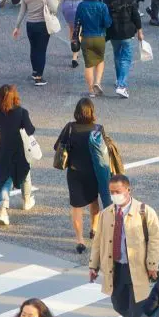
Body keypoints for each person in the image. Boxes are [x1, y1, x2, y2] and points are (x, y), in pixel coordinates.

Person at [89, 174, 159, 317]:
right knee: (120, 305)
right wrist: (93, 265)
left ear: (128, 190)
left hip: (139, 270)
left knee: (136, 314)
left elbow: (156, 240)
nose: (114, 195)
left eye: (118, 191)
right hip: (117, 270)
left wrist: (152, 264)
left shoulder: (144, 212)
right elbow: (98, 242)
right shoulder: (107, 214)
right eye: (112, 192)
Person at [55, 99, 102, 253]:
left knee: (76, 207)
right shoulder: (97, 128)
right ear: (92, 112)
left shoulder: (70, 128)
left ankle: (80, 240)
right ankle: (94, 229)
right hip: (93, 172)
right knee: (94, 201)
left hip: (74, 173)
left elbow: (58, 147)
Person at [0, 84, 36, 227]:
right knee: (25, 174)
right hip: (20, 150)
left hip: (4, 150)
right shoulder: (22, 112)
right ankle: (26, 200)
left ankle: (3, 211)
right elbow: (30, 130)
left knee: (6, 181)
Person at [12, 0, 59, 87]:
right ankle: (39, 77)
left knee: (33, 49)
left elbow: (21, 13)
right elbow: (54, 9)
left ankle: (34, 71)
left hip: (30, 25)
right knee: (41, 50)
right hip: (42, 25)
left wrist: (16, 27)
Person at [104, 0, 145, 98]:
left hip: (113, 32)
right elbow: (136, 16)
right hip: (127, 33)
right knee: (126, 58)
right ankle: (122, 85)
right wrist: (140, 30)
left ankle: (118, 79)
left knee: (117, 55)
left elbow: (105, 17)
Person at [75, 0, 113, 97]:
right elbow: (107, 23)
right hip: (100, 37)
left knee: (88, 65)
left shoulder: (81, 5)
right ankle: (97, 82)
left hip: (86, 37)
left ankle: (91, 90)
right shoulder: (102, 6)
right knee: (100, 60)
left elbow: (77, 21)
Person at [58, 0, 87, 67]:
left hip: (66, 5)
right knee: (79, 30)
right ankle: (75, 55)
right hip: (79, 5)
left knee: (72, 28)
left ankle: (74, 48)